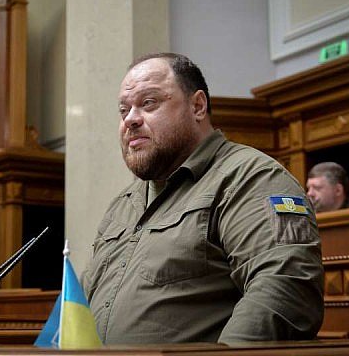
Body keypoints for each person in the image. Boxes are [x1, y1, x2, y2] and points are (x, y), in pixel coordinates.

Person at [82, 53, 323, 345]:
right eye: (124, 110)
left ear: (197, 106)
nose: (130, 119)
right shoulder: (124, 202)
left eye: (149, 103)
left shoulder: (249, 177)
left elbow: (285, 289)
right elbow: (81, 300)